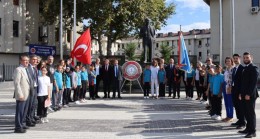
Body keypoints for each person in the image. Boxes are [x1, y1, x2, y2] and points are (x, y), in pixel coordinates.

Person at [238, 52, 259, 138]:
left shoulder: (254, 68)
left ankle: (253, 131)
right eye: (244, 58)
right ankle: (248, 129)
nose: (246, 59)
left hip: (249, 95)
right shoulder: (245, 68)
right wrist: (240, 93)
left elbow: (253, 83)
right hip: (243, 94)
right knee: (246, 112)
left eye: (247, 58)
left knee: (251, 113)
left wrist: (248, 94)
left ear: (251, 58)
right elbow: (243, 83)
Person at [13, 55, 31, 133]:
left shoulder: (25, 69)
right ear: (20, 61)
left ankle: (22, 124)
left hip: (27, 94)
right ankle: (18, 127)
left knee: (24, 111)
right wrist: (20, 94)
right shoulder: (18, 70)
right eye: (25, 60)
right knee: (20, 111)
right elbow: (17, 83)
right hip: (22, 94)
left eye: (27, 60)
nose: (27, 62)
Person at [231, 54, 245, 129]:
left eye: (237, 58)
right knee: (236, 106)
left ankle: (243, 122)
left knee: (241, 107)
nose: (235, 60)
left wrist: (241, 92)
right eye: (234, 58)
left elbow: (243, 81)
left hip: (239, 91)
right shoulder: (234, 68)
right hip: (234, 90)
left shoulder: (242, 68)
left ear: (239, 59)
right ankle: (239, 120)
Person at [25, 54, 39, 127]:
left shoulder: (35, 68)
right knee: (29, 105)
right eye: (33, 59)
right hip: (30, 88)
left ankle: (31, 117)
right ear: (30, 60)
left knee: (33, 104)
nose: (35, 61)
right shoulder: (28, 67)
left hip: (35, 87)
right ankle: (28, 120)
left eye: (36, 59)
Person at [222, 57, 234, 122]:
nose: (227, 62)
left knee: (230, 102)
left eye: (229, 61)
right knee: (226, 102)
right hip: (225, 85)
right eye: (226, 61)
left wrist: (231, 86)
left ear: (231, 62)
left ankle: (231, 116)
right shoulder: (226, 69)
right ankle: (227, 116)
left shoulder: (233, 69)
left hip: (229, 86)